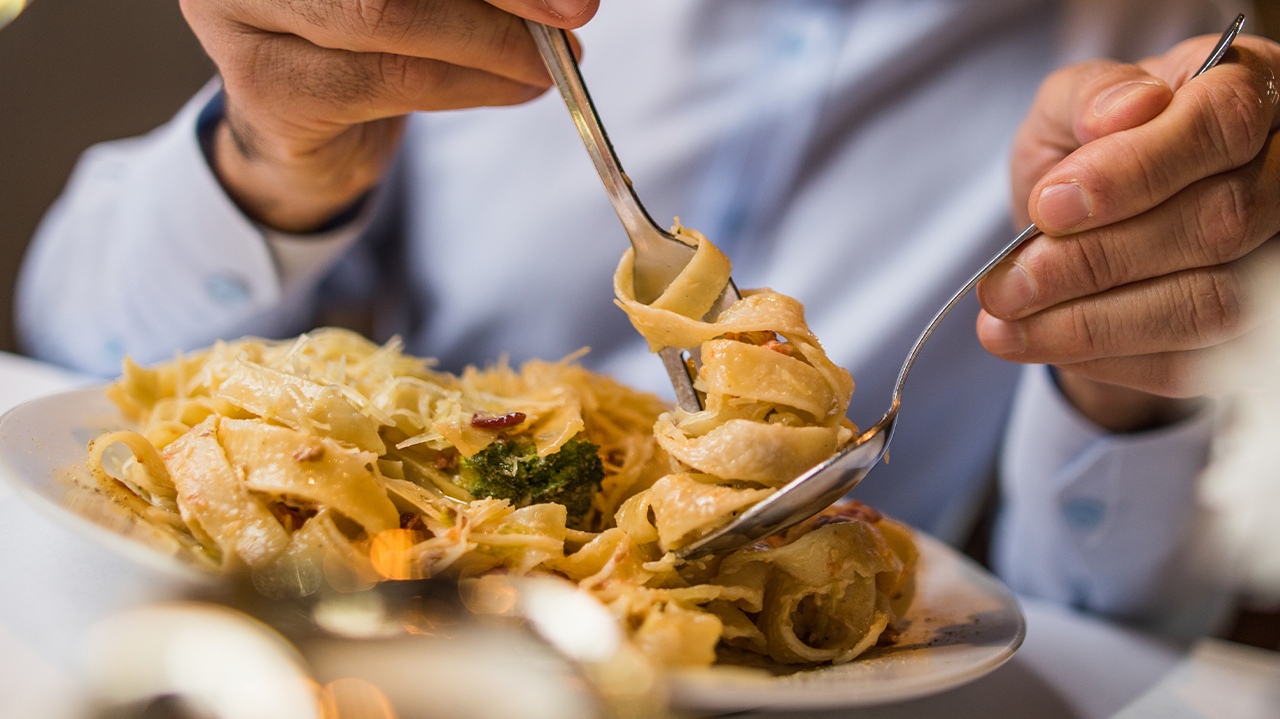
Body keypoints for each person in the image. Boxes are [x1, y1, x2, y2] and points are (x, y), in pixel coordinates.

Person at [16, 0, 1280, 630]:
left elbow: (1107, 624)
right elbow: (65, 353)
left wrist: (1124, 370)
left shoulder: (1165, 70)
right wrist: (277, 160)